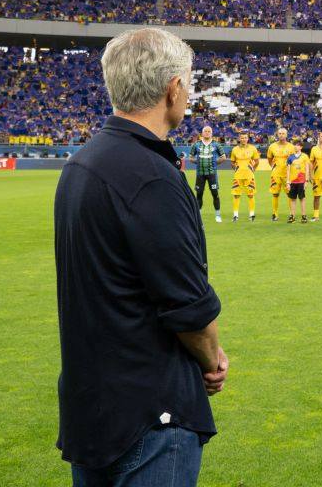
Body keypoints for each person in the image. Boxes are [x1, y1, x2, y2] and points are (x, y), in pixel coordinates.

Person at [55, 27, 226, 486]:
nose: (187, 94)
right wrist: (212, 359)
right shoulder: (151, 175)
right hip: (149, 412)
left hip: (91, 404)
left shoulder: (82, 163)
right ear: (173, 89)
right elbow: (188, 305)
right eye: (187, 84)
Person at [189, 125, 225, 223]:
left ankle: (217, 215)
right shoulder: (196, 144)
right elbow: (191, 158)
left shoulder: (216, 144)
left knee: (215, 193)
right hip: (200, 173)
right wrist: (199, 162)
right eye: (205, 131)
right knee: (199, 194)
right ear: (202, 133)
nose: (207, 133)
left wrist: (214, 163)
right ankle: (198, 216)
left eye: (209, 131)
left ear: (212, 133)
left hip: (212, 173)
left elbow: (223, 157)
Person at [228, 132, 259, 222]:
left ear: (247, 139)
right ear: (239, 139)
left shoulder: (253, 149)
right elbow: (232, 162)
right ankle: (235, 215)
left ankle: (252, 214)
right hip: (238, 176)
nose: (244, 139)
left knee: (250, 194)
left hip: (249, 176)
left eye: (245, 138)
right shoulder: (234, 150)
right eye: (242, 138)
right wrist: (236, 170)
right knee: (236, 195)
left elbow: (257, 161)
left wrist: (252, 169)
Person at [266, 128, 297, 221]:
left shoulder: (291, 147)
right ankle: (275, 214)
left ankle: (291, 214)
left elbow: (294, 161)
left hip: (287, 175)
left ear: (286, 135)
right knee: (275, 194)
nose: (281, 135)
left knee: (290, 194)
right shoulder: (272, 146)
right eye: (279, 133)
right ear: (277, 134)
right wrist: (274, 167)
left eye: (283, 133)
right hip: (275, 174)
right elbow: (269, 159)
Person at [286, 145, 310, 223]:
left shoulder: (305, 156)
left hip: (301, 181)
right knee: (292, 199)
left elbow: (307, 169)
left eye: (298, 145)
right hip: (292, 181)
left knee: (302, 198)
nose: (296, 147)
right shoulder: (290, 157)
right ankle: (292, 216)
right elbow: (288, 170)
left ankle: (304, 216)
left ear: (301, 147)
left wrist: (306, 180)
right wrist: (288, 182)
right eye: (294, 146)